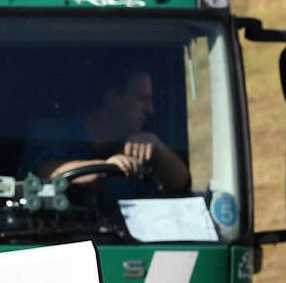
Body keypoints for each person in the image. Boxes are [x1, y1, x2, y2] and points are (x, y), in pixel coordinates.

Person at [26, 67, 189, 196]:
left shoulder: (137, 147)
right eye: (142, 99)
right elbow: (47, 173)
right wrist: (107, 167)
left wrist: (155, 145)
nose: (150, 110)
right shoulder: (53, 134)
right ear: (113, 98)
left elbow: (178, 182)